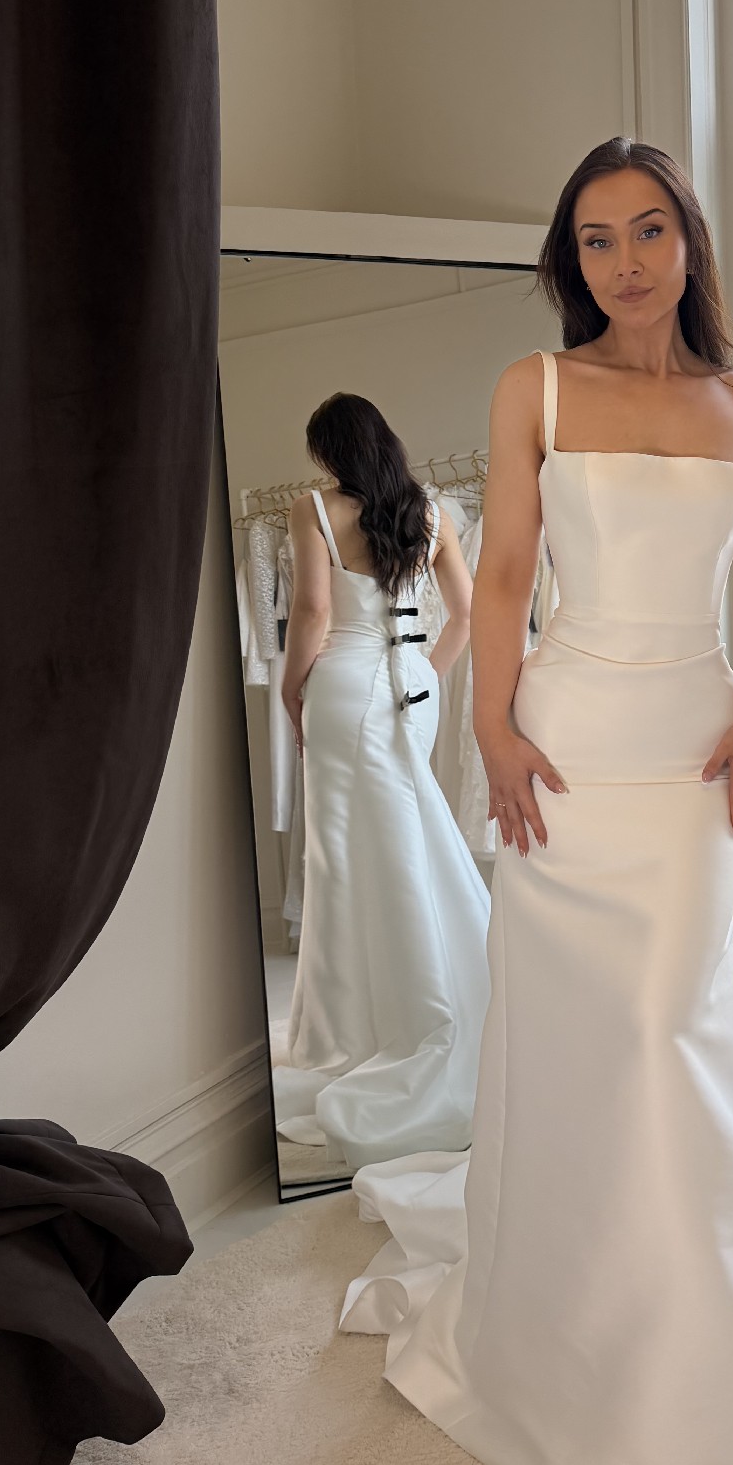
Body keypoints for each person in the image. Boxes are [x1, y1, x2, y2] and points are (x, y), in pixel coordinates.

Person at [338, 138, 733, 1465]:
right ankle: (577, 1303)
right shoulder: (534, 387)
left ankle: (706, 1322)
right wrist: (491, 726)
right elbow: (505, 576)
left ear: (688, 243)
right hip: (569, 749)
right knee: (583, 1027)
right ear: (570, 259)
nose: (627, 261)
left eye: (650, 230)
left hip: (691, 752)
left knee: (672, 1016)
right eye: (597, 239)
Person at [272, 393, 492, 1174]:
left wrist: (291, 690)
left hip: (344, 682)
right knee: (408, 841)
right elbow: (466, 614)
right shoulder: (431, 512)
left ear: (330, 452)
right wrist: (427, 671)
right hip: (411, 686)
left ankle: (359, 1028)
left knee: (342, 858)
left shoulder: (312, 509)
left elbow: (311, 611)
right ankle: (432, 999)